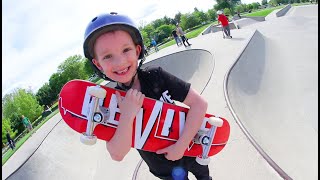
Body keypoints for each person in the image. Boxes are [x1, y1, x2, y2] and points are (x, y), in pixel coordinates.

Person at [83, 12, 211, 179]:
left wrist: (181, 145)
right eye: (108, 56)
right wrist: (127, 116)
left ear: (137, 51)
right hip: (164, 167)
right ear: (98, 64)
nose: (120, 62)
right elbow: (117, 154)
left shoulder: (156, 77)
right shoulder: (112, 100)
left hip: (190, 150)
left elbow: (199, 104)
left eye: (126, 50)